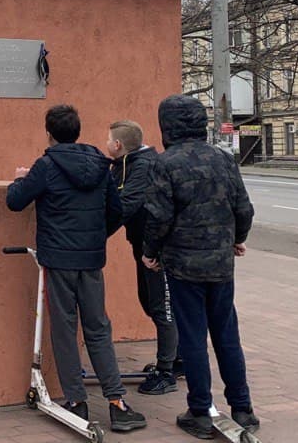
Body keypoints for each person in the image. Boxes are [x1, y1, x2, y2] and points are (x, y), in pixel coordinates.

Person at [8, 104, 147, 433]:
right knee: (98, 328)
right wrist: (96, 238)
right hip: (91, 260)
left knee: (65, 329)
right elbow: (115, 210)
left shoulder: (46, 165)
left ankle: (76, 400)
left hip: (58, 260)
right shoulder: (101, 164)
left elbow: (15, 202)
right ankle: (117, 402)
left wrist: (19, 179)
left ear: (50, 133)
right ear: (78, 130)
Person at [142, 95, 260, 438]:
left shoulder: (165, 164)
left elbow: (158, 216)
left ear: (167, 125)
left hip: (183, 265)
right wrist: (238, 237)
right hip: (221, 264)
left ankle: (200, 410)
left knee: (192, 337)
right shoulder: (224, 160)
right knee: (227, 334)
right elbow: (243, 207)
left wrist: (150, 251)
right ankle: (243, 408)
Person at [105, 120, 180, 395]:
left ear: (118, 145)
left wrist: (96, 234)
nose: (106, 143)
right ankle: (176, 359)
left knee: (163, 308)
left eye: (108, 139)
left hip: (156, 249)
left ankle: (166, 371)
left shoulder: (144, 166)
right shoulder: (124, 164)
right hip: (143, 245)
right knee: (150, 303)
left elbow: (126, 205)